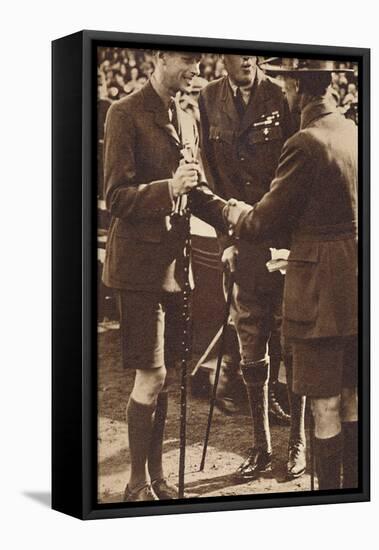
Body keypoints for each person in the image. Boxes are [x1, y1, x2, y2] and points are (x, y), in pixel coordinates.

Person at [224, 59, 358, 490]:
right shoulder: (353, 131)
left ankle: (332, 503)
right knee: (352, 400)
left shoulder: (305, 142)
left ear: (298, 88)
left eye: (285, 83)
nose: (282, 91)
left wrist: (236, 213)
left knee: (324, 407)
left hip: (318, 295)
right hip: (355, 288)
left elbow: (266, 221)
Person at [102, 51, 226, 502]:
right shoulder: (124, 114)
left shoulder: (188, 114)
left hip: (175, 269)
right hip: (138, 270)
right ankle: (136, 482)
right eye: (186, 60)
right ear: (159, 58)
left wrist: (231, 212)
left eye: (199, 62)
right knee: (151, 375)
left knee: (166, 376)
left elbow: (195, 189)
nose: (196, 69)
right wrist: (167, 189)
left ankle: (155, 477)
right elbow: (115, 196)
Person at [199, 54, 306, 480]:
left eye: (252, 54)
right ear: (221, 57)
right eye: (236, 53)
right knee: (251, 348)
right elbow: (210, 180)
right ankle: (261, 447)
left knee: (293, 343)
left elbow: (300, 173)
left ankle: (297, 443)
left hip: (282, 242)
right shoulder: (208, 99)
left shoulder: (281, 95)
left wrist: (291, 239)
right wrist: (226, 240)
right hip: (242, 245)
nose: (246, 60)